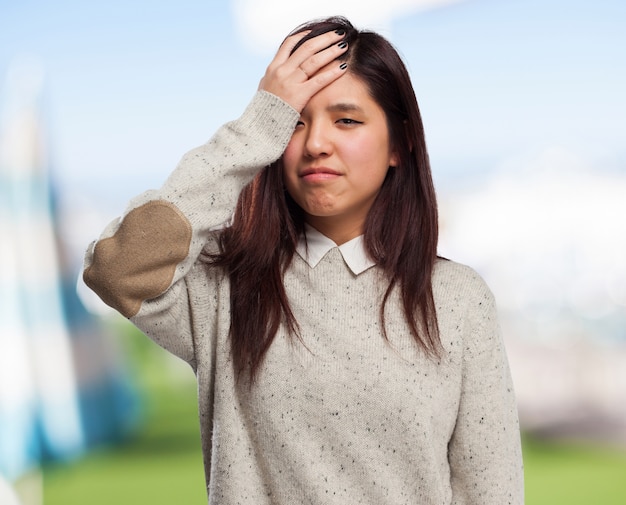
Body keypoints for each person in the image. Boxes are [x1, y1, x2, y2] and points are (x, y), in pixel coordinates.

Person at [83, 16, 524, 505]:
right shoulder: (225, 285)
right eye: (294, 123)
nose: (315, 144)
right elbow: (115, 269)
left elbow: (492, 492)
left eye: (347, 120)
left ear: (399, 143)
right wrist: (258, 123)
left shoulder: (458, 299)